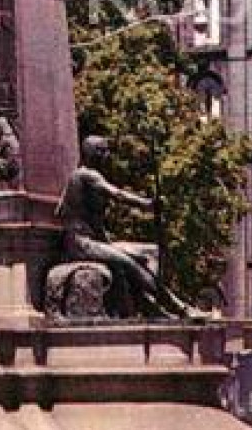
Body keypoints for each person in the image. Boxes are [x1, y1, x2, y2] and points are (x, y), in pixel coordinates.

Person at [55, 136, 193, 318]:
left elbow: (61, 211)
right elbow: (117, 195)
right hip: (81, 243)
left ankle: (152, 305)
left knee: (151, 252)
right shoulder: (86, 175)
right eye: (103, 151)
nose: (107, 155)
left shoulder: (82, 177)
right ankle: (178, 307)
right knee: (128, 262)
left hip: (95, 241)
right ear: (91, 153)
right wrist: (148, 204)